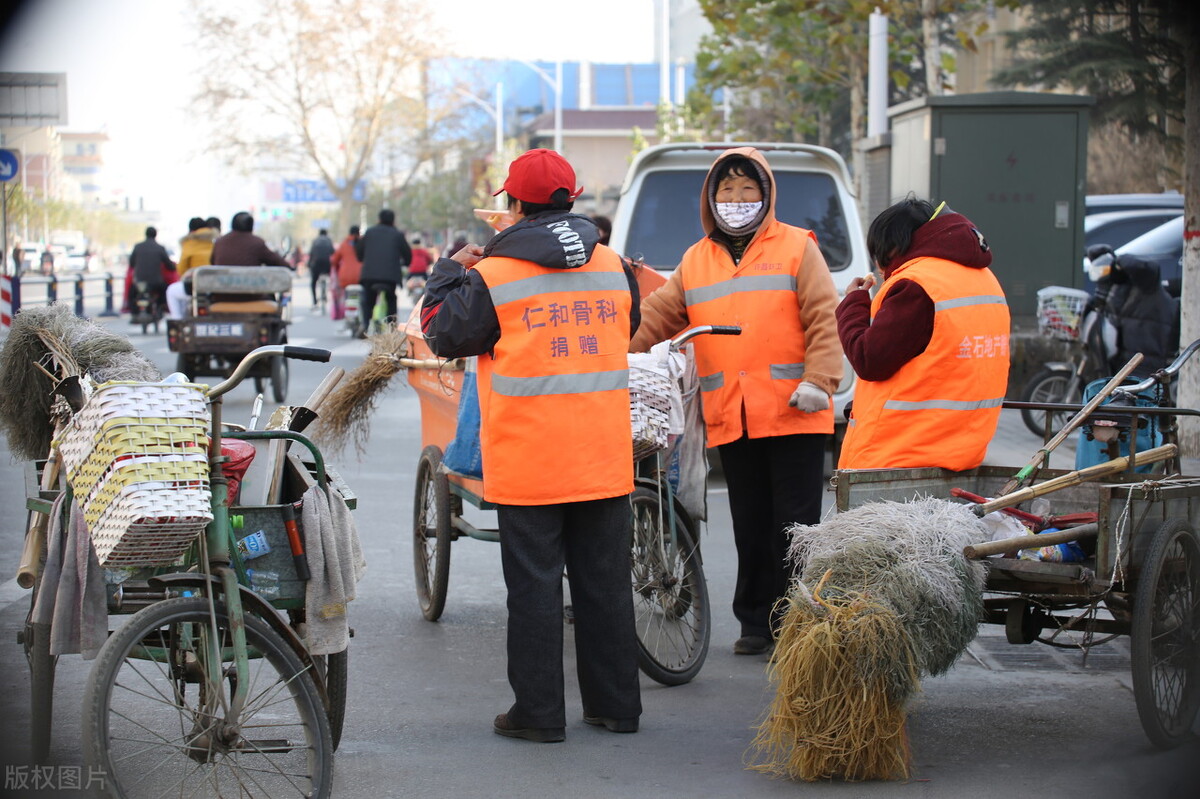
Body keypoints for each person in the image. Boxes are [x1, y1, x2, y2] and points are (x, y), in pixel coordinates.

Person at [421, 148, 643, 743]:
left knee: (536, 589)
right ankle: (617, 707)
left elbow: (443, 333)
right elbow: (629, 327)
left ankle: (540, 714)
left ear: (515, 205)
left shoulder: (494, 274)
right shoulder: (613, 264)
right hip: (601, 455)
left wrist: (447, 272)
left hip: (530, 460)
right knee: (604, 584)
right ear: (570, 200)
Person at [629, 146, 843, 657]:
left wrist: (820, 379)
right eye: (727, 190)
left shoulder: (797, 247)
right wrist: (619, 355)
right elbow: (658, 315)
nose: (737, 198)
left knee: (795, 526)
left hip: (794, 409)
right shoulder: (696, 259)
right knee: (749, 523)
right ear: (711, 198)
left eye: (748, 189)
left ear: (766, 195)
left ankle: (797, 620)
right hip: (733, 413)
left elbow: (823, 315)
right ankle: (755, 622)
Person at [836, 196, 1010, 471]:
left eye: (880, 254)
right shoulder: (984, 279)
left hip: (902, 454)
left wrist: (853, 303)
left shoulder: (916, 285)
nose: (881, 268)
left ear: (895, 245)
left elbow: (868, 359)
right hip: (960, 450)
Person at [354, 208, 411, 334]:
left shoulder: (369, 232)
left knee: (368, 300)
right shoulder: (397, 235)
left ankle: (365, 324)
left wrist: (363, 259)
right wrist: (405, 263)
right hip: (390, 277)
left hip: (369, 275)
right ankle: (392, 326)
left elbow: (359, 251)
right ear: (393, 220)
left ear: (379, 219)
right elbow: (407, 255)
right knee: (391, 299)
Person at [167, 217, 220, 319]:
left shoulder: (189, 244)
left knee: (171, 291)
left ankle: (178, 320)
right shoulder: (215, 242)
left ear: (191, 230)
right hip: (214, 286)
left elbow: (181, 269)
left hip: (194, 286)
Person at [211, 212, 292, 267]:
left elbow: (212, 261)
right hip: (250, 287)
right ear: (251, 225)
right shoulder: (257, 243)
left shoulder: (220, 242)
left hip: (221, 287)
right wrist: (289, 266)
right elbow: (276, 262)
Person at [128, 226, 176, 318]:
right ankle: (161, 308)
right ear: (155, 235)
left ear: (145, 234)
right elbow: (169, 265)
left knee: (132, 293)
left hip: (139, 282)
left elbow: (131, 263)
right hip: (156, 282)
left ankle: (134, 312)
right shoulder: (160, 248)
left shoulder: (137, 247)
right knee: (165, 291)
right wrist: (173, 267)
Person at [330, 224, 362, 321]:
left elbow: (334, 261)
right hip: (362, 276)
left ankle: (349, 316)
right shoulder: (364, 242)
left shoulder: (344, 244)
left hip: (346, 278)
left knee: (348, 297)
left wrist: (337, 268)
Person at [308, 228, 335, 310]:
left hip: (316, 264)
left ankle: (315, 301)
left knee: (313, 282)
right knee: (333, 280)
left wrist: (309, 265)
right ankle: (332, 299)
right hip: (327, 264)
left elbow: (311, 254)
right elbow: (333, 252)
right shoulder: (329, 240)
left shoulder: (315, 241)